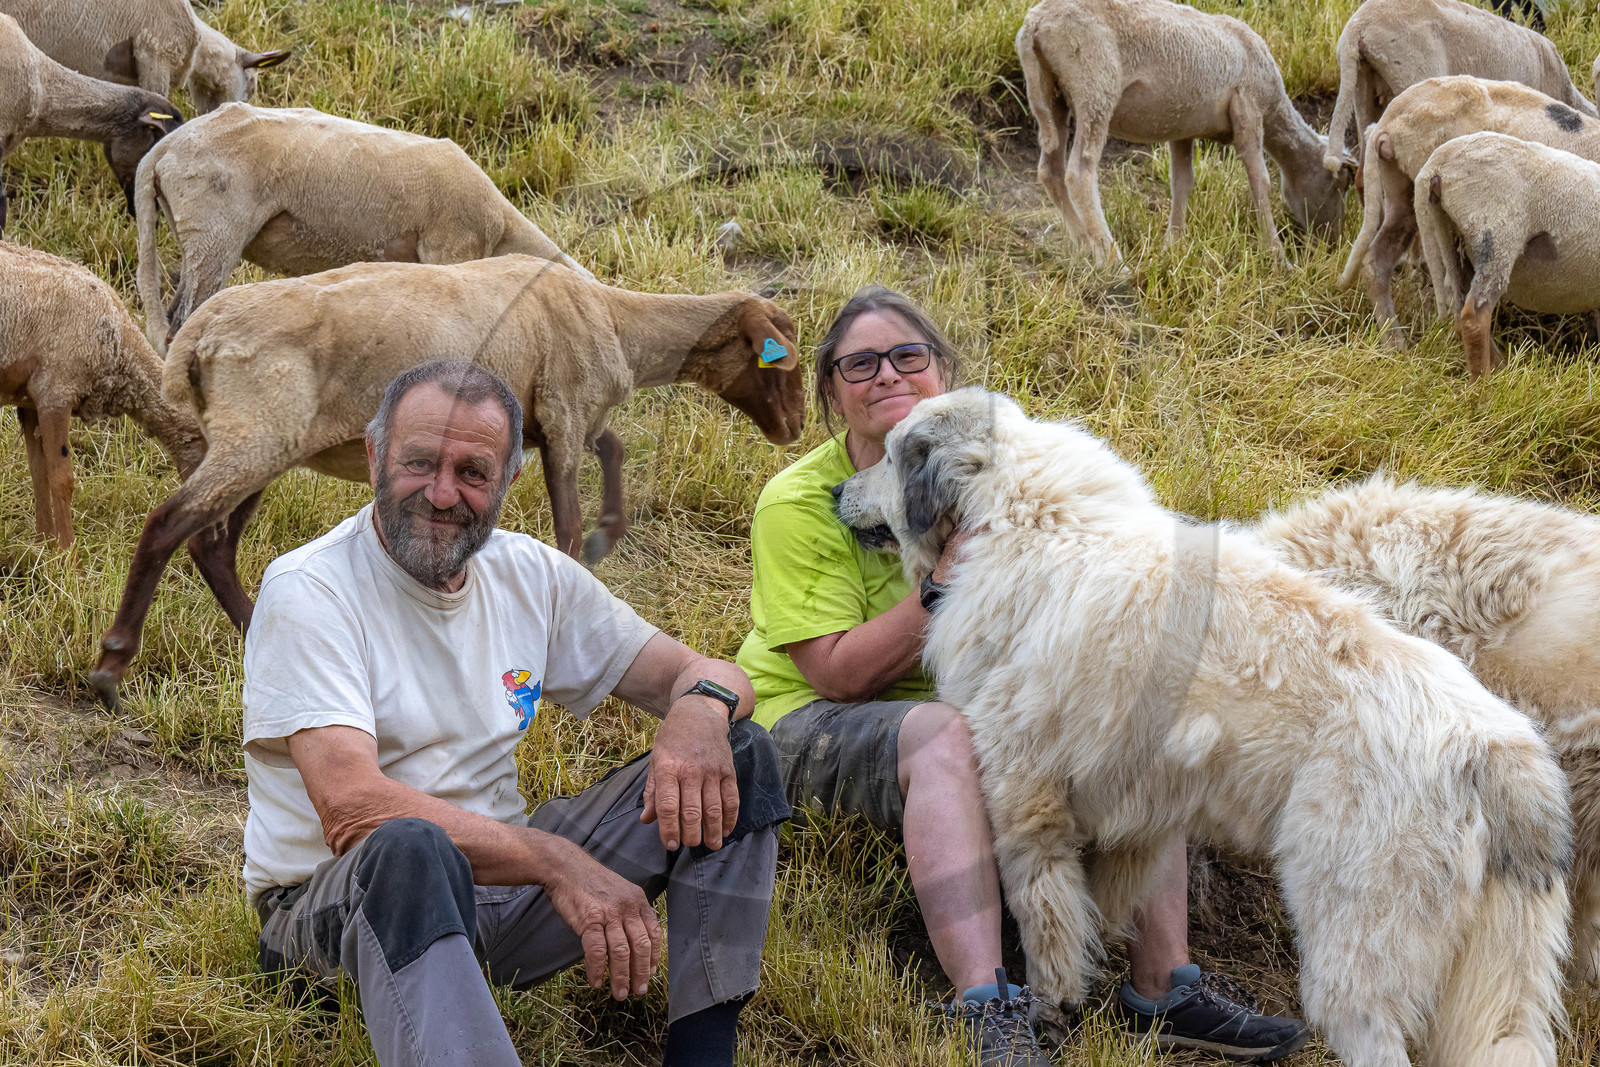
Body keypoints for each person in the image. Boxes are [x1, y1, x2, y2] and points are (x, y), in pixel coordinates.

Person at [735, 287, 1310, 1065]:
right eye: (859, 364)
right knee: (944, 734)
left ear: (943, 373)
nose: (887, 376)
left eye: (909, 355)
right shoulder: (798, 502)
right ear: (833, 392)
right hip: (809, 726)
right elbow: (839, 675)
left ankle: (1163, 985)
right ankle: (987, 1006)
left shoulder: (1006, 466)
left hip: (968, 714)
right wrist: (943, 585)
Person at [243, 360, 790, 1067]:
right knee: (412, 845)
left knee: (738, 751)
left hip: (500, 892)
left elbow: (711, 674)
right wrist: (555, 860)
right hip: (339, 913)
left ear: (509, 481)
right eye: (418, 462)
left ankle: (703, 1053)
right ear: (374, 457)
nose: (442, 493)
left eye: (473, 472)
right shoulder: (310, 588)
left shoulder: (531, 573)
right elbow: (352, 810)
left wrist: (698, 709)